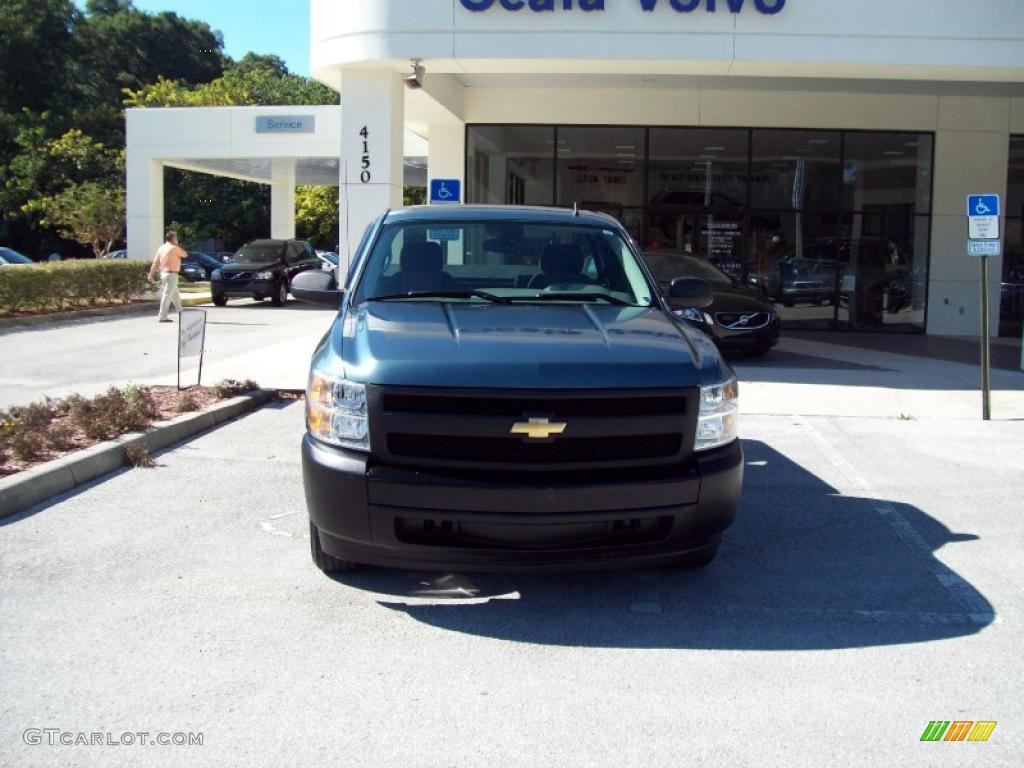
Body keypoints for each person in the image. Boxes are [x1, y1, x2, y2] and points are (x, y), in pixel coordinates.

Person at [148, 231, 185, 323]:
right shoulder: (174, 248)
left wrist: (151, 274)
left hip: (163, 274)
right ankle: (162, 316)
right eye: (176, 238)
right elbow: (184, 254)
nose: (177, 239)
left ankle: (181, 313)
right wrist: (177, 246)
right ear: (173, 239)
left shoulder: (161, 248)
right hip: (171, 274)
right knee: (167, 295)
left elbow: (155, 263)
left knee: (175, 295)